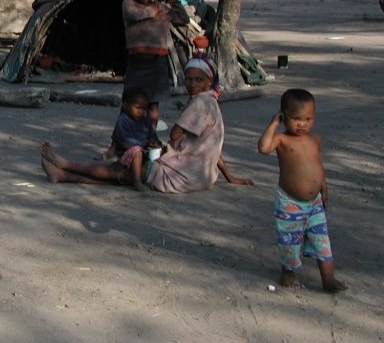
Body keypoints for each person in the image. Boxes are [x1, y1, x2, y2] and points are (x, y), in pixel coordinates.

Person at [40, 55, 253, 192]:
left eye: (198, 80)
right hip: (203, 176)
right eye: (189, 79)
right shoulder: (213, 103)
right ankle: (63, 175)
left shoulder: (199, 104)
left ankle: (66, 166)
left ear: (209, 81)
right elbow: (213, 148)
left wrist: (151, 129)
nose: (192, 84)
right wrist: (230, 177)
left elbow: (176, 135)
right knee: (126, 177)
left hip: (184, 174)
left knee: (122, 171)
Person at [258, 89, 346, 292]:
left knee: (322, 240)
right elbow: (263, 148)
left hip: (314, 203)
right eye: (296, 119)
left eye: (308, 119)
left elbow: (318, 165)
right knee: (290, 240)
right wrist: (273, 124)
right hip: (290, 202)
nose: (302, 124)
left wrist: (323, 186)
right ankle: (288, 273)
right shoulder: (282, 140)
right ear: (283, 116)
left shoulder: (314, 140)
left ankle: (328, 279)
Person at [123, 0, 188, 111]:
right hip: (137, 60)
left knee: (154, 103)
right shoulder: (128, 4)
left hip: (158, 60)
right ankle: (131, 131)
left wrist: (175, 2)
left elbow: (183, 19)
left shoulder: (162, 8)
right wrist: (158, 9)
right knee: (132, 102)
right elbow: (137, 14)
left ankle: (151, 132)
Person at [108, 87, 161, 191]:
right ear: (126, 106)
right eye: (137, 107)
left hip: (144, 151)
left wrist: (156, 143)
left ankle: (152, 177)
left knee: (161, 152)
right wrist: (144, 143)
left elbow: (152, 134)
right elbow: (126, 142)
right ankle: (137, 181)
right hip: (126, 153)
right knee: (137, 151)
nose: (141, 111)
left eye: (144, 108)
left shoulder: (145, 121)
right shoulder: (123, 121)